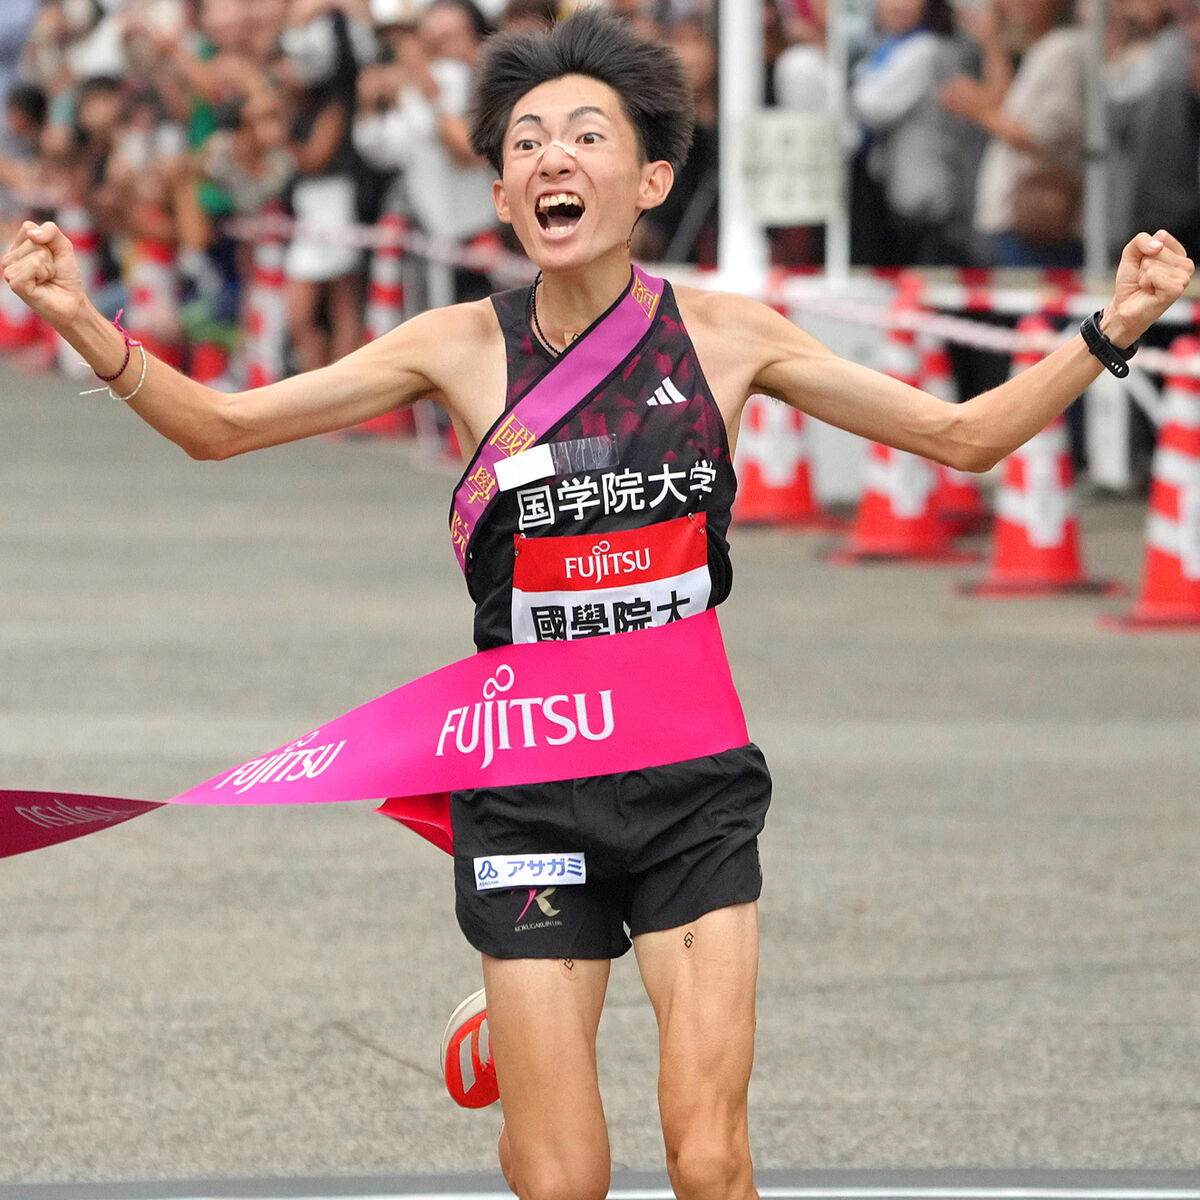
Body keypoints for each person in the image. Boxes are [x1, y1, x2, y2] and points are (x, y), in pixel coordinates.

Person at [2, 12, 1191, 1200]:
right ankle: (524, 1056)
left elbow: (964, 435)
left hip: (690, 781)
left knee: (712, 1162)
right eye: (525, 144)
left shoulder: (726, 338)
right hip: (528, 789)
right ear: (506, 197)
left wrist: (1115, 326)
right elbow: (223, 428)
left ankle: (535, 1039)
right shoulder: (455, 347)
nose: (552, 160)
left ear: (651, 179)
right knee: (563, 1180)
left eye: (585, 135)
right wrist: (81, 323)